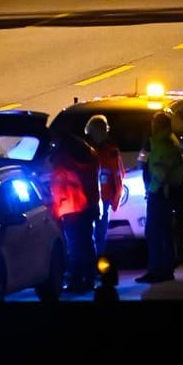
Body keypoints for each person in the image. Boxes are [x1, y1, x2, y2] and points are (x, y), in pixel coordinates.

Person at [46, 129, 101, 294]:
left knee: (75, 246)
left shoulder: (62, 161)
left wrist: (55, 209)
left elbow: (58, 187)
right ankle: (89, 278)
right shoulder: (90, 155)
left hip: (71, 208)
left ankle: (77, 280)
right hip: (89, 205)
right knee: (87, 244)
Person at [138, 110, 183, 284]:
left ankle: (159, 269)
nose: (152, 126)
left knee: (156, 232)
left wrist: (151, 188)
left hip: (160, 194)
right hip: (164, 193)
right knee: (161, 231)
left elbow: (160, 171)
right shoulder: (166, 141)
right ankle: (162, 267)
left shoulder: (163, 144)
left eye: (154, 123)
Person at [84, 114, 125, 289]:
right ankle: (93, 269)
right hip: (96, 199)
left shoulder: (104, 151)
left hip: (98, 200)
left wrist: (115, 198)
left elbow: (117, 175)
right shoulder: (103, 150)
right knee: (95, 237)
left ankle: (94, 270)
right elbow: (118, 175)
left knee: (96, 237)